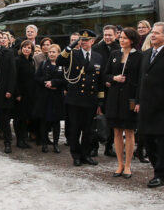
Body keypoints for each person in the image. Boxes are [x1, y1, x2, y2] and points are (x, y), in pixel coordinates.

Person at [136, 22, 164, 188]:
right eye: (152, 33)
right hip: (145, 105)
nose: (152, 35)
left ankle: (160, 173)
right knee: (147, 140)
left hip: (162, 106)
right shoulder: (146, 54)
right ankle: (157, 167)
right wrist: (138, 101)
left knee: (161, 142)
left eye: (156, 33)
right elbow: (141, 80)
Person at [56, 29, 104, 166]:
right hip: (75, 99)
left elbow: (99, 80)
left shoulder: (97, 57)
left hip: (90, 99)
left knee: (88, 130)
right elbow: (59, 60)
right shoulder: (73, 54)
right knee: (75, 129)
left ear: (93, 42)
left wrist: (100, 100)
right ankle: (76, 155)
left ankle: (86, 155)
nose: (83, 42)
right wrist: (71, 46)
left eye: (86, 40)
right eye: (81, 40)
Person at [103, 28, 142, 178]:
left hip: (130, 98)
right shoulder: (114, 54)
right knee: (117, 131)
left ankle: (128, 165)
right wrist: (114, 78)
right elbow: (105, 75)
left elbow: (140, 80)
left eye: (125, 38)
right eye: (121, 37)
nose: (122, 40)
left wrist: (138, 100)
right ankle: (119, 164)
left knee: (129, 131)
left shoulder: (139, 56)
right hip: (114, 98)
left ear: (132, 40)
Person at [93, 25, 121, 157]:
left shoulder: (119, 48)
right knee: (96, 118)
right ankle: (93, 146)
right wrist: (105, 80)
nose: (107, 37)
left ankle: (109, 146)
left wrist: (113, 80)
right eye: (105, 35)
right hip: (99, 87)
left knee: (111, 119)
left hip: (114, 89)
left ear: (116, 35)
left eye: (110, 35)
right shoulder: (96, 48)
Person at [33, 44, 66, 153]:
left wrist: (54, 83)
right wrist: (45, 83)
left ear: (58, 53)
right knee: (44, 122)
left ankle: (56, 144)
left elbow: (65, 80)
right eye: (50, 52)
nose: (51, 54)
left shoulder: (63, 65)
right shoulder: (43, 64)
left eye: (54, 52)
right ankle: (44, 143)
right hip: (45, 97)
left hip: (57, 97)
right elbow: (37, 78)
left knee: (56, 122)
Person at [13, 40, 36, 148]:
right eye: (25, 47)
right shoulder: (17, 60)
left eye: (29, 48)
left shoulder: (31, 61)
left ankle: (24, 139)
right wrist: (17, 94)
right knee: (19, 118)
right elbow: (14, 78)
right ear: (21, 48)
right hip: (20, 94)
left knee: (26, 117)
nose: (26, 49)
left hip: (29, 94)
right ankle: (19, 140)